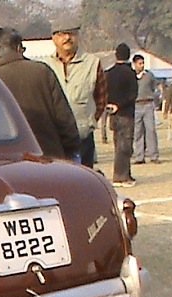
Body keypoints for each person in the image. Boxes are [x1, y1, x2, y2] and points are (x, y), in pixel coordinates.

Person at [0, 27, 80, 160]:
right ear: (19, 47)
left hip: (8, 163)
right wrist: (70, 150)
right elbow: (64, 120)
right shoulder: (42, 71)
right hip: (49, 158)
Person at [40, 16, 107, 168]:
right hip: (53, 141)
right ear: (53, 38)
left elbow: (101, 99)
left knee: (84, 184)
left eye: (71, 33)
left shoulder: (92, 63)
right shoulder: (44, 66)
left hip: (82, 139)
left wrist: (89, 122)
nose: (67, 38)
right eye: (62, 34)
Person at [105, 43, 138, 187]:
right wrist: (120, 104)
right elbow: (132, 94)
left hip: (112, 114)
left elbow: (103, 92)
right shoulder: (129, 73)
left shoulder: (109, 73)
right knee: (125, 146)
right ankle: (122, 176)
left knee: (117, 144)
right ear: (128, 55)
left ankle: (124, 173)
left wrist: (110, 104)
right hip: (125, 113)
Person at [131, 54, 159, 164]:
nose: (141, 66)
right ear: (134, 64)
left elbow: (153, 88)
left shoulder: (149, 76)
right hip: (136, 105)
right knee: (137, 132)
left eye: (143, 63)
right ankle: (139, 156)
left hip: (148, 104)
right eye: (139, 63)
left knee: (151, 130)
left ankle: (153, 155)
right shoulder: (131, 76)